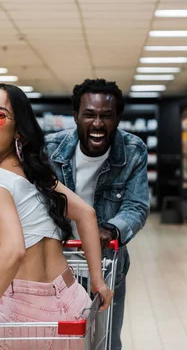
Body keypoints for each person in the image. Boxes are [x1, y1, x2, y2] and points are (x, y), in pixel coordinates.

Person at [0, 83, 114, 346]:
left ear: (19, 132)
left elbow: (13, 250)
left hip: (25, 317)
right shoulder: (36, 176)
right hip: (74, 303)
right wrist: (97, 282)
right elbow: (85, 213)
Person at [45, 78, 150, 350]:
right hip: (58, 264)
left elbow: (137, 206)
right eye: (89, 115)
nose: (98, 124)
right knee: (62, 343)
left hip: (106, 266)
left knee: (105, 342)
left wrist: (111, 230)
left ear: (118, 118)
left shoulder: (133, 150)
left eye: (106, 116)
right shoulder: (51, 150)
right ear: (76, 117)